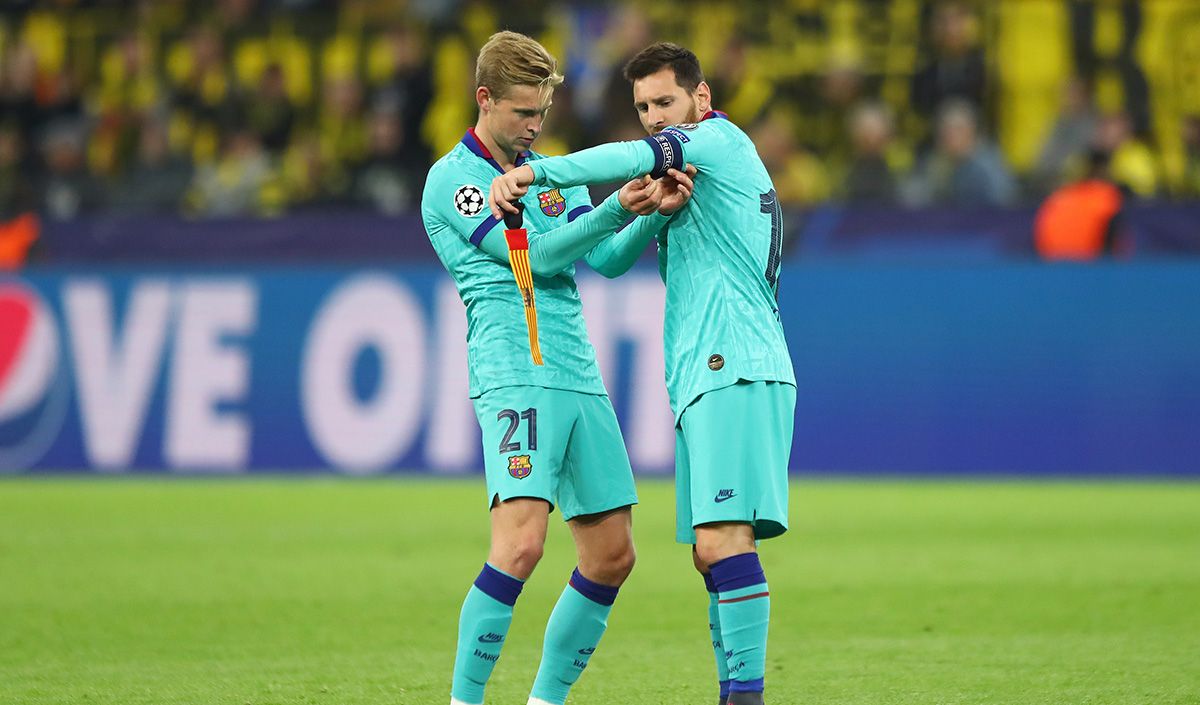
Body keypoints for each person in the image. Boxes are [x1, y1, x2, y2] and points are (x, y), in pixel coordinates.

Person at [489, 42, 796, 705]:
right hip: (706, 374)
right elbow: (608, 262)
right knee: (709, 551)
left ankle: (746, 697)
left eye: (665, 102)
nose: (655, 117)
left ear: (701, 99)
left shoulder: (716, 142)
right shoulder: (691, 183)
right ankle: (735, 692)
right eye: (643, 107)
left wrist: (539, 177)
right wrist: (640, 210)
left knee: (722, 540)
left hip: (733, 363)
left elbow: (629, 155)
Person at [420, 31, 694, 705]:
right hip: (515, 370)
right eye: (521, 111)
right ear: (484, 100)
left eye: (541, 112)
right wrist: (611, 208)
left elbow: (601, 260)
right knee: (521, 545)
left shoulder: (547, 173)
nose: (534, 126)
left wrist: (652, 215)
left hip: (577, 370)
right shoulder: (454, 180)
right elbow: (537, 259)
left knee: (612, 553)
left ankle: (543, 702)